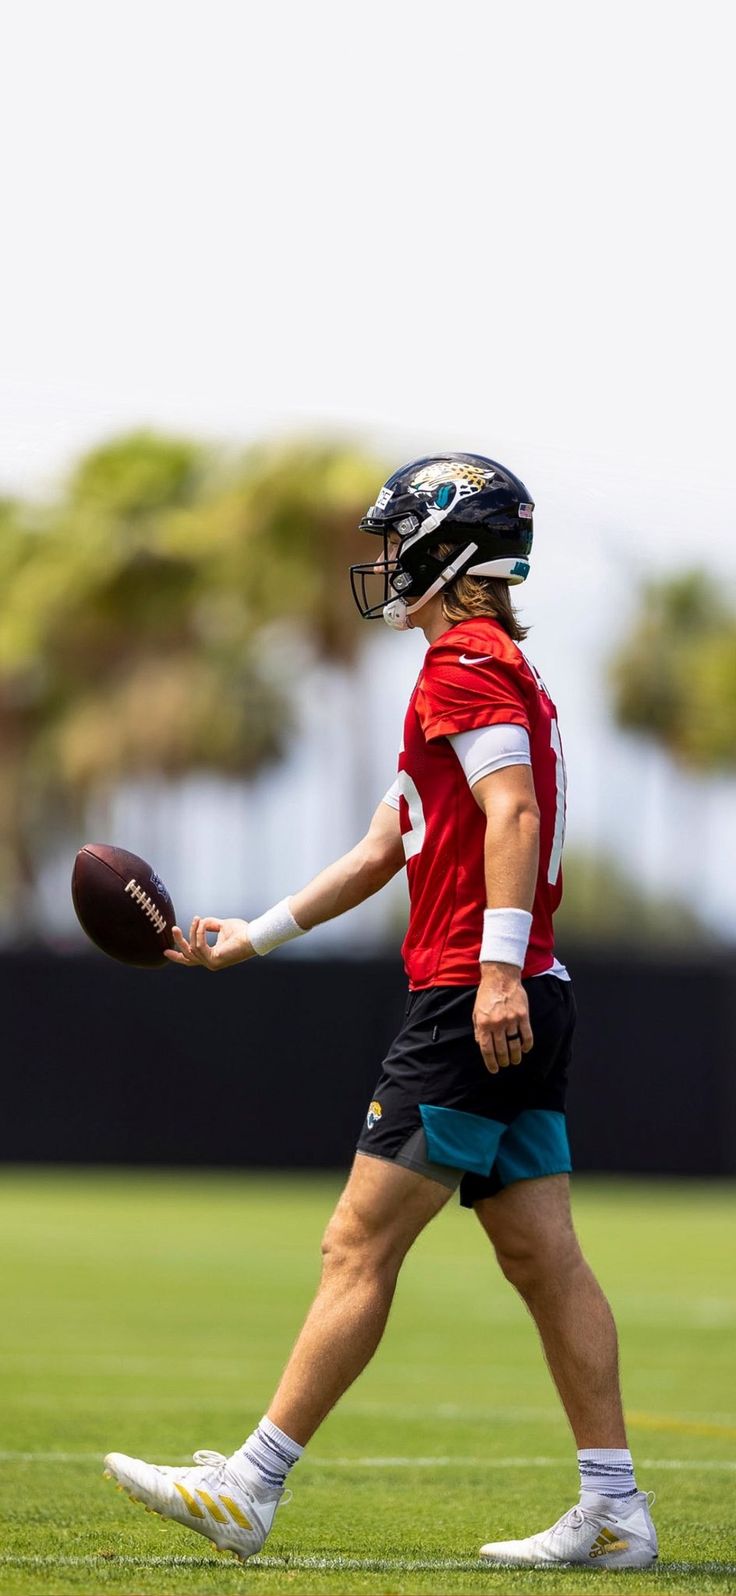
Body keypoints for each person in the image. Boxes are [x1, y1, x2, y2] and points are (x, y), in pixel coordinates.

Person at [105, 453, 657, 1569]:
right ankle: (613, 1507)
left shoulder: (464, 661)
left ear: (454, 551)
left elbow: (511, 817)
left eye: (403, 539)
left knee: (356, 1241)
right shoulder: (492, 669)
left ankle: (251, 1488)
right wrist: (249, 937)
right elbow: (380, 847)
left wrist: (493, 970)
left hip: (473, 996)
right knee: (544, 1259)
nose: (388, 562)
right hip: (521, 991)